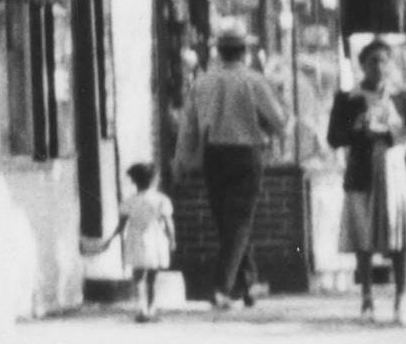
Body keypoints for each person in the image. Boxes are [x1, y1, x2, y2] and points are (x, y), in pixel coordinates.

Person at [175, 26, 289, 309]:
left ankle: (246, 281)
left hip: (213, 154)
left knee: (226, 219)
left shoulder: (202, 83)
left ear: (218, 51)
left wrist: (182, 160)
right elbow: (279, 122)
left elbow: (188, 127)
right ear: (245, 52)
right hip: (246, 153)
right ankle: (223, 286)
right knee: (239, 220)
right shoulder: (254, 81)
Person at [328, 40, 406, 324]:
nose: (378, 68)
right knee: (363, 236)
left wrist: (393, 134)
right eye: (372, 62)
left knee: (399, 236)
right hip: (362, 170)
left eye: (383, 61)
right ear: (362, 65)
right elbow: (334, 137)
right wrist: (357, 130)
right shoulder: (348, 98)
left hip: (393, 170)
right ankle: (367, 297)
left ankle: (401, 298)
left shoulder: (400, 96)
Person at [82, 162, 178, 320]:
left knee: (138, 275)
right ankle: (151, 307)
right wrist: (172, 239)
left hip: (136, 238)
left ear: (135, 181)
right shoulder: (161, 200)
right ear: (154, 180)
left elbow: (121, 224)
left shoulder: (130, 201)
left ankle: (142, 308)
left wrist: (110, 240)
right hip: (156, 239)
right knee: (152, 277)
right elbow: (168, 223)